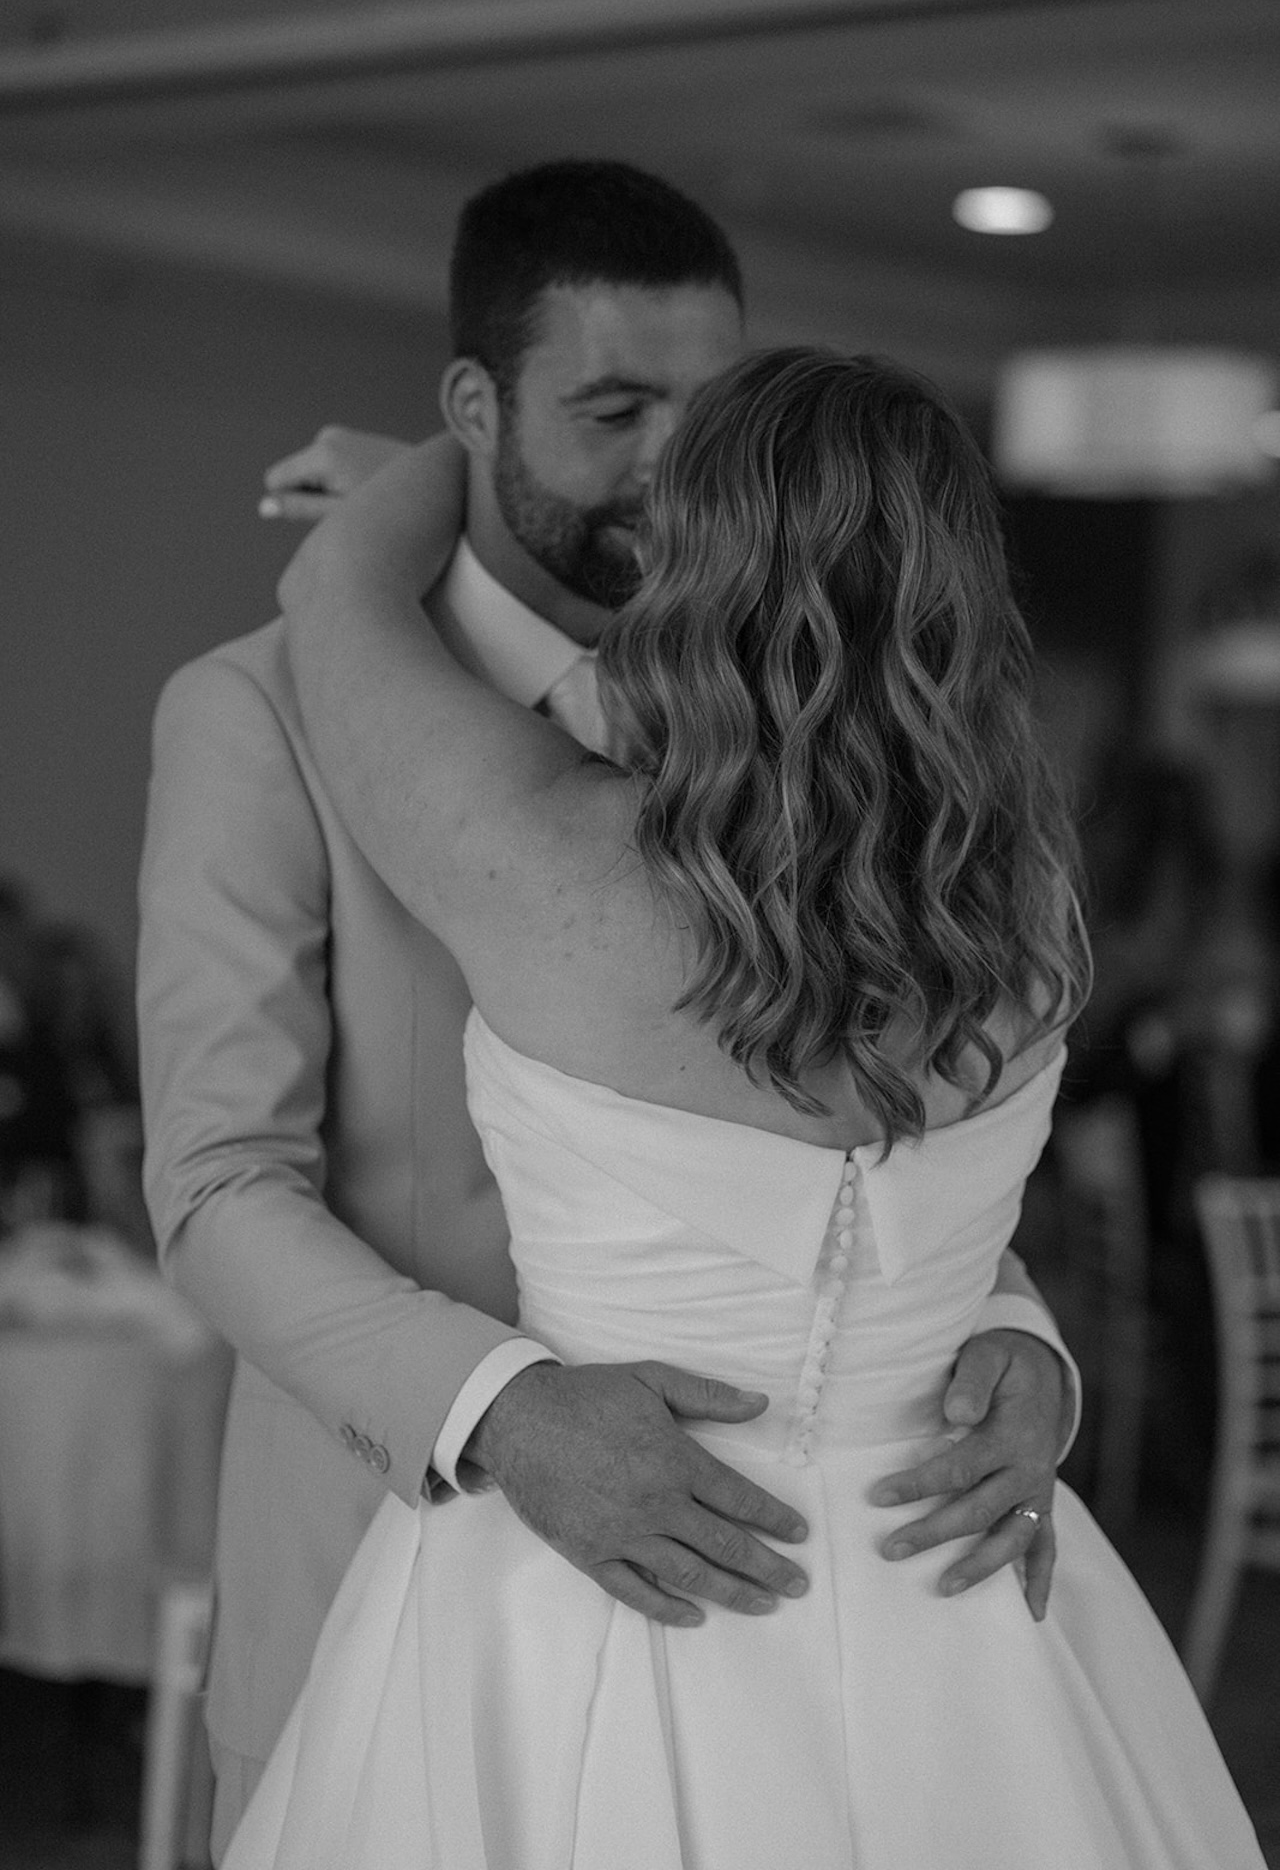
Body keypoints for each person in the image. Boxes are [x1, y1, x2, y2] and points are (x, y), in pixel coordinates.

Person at [138, 162, 1077, 1863]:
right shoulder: (257, 713)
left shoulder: (794, 723)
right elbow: (213, 1191)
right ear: (474, 410)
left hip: (820, 1612)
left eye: (704, 415)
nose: (668, 464)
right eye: (613, 407)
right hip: (405, 1577)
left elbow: (856, 1154)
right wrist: (499, 1406)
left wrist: (1011, 1333)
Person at [224, 349, 1265, 1869]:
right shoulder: (1032, 907)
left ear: (681, 562)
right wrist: (1029, 1345)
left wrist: (434, 463)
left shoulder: (527, 850)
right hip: (958, 1598)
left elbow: (336, 603)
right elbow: (918, 1239)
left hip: (593, 1600)